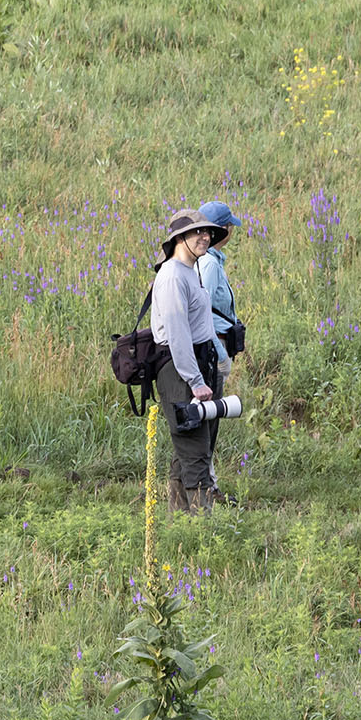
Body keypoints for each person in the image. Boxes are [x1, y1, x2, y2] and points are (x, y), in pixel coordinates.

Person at [152, 209, 226, 514]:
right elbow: (178, 333)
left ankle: (179, 518)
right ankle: (200, 525)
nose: (205, 237)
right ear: (179, 238)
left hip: (198, 363)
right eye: (197, 232)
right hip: (180, 369)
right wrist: (195, 381)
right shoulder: (171, 275)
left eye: (207, 232)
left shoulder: (189, 270)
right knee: (194, 445)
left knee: (194, 444)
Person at [196, 200, 245, 501]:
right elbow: (202, 313)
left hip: (211, 348)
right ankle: (205, 487)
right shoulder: (211, 265)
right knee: (209, 417)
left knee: (207, 416)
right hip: (212, 350)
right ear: (221, 230)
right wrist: (221, 354)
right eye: (228, 226)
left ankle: (203, 483)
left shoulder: (209, 260)